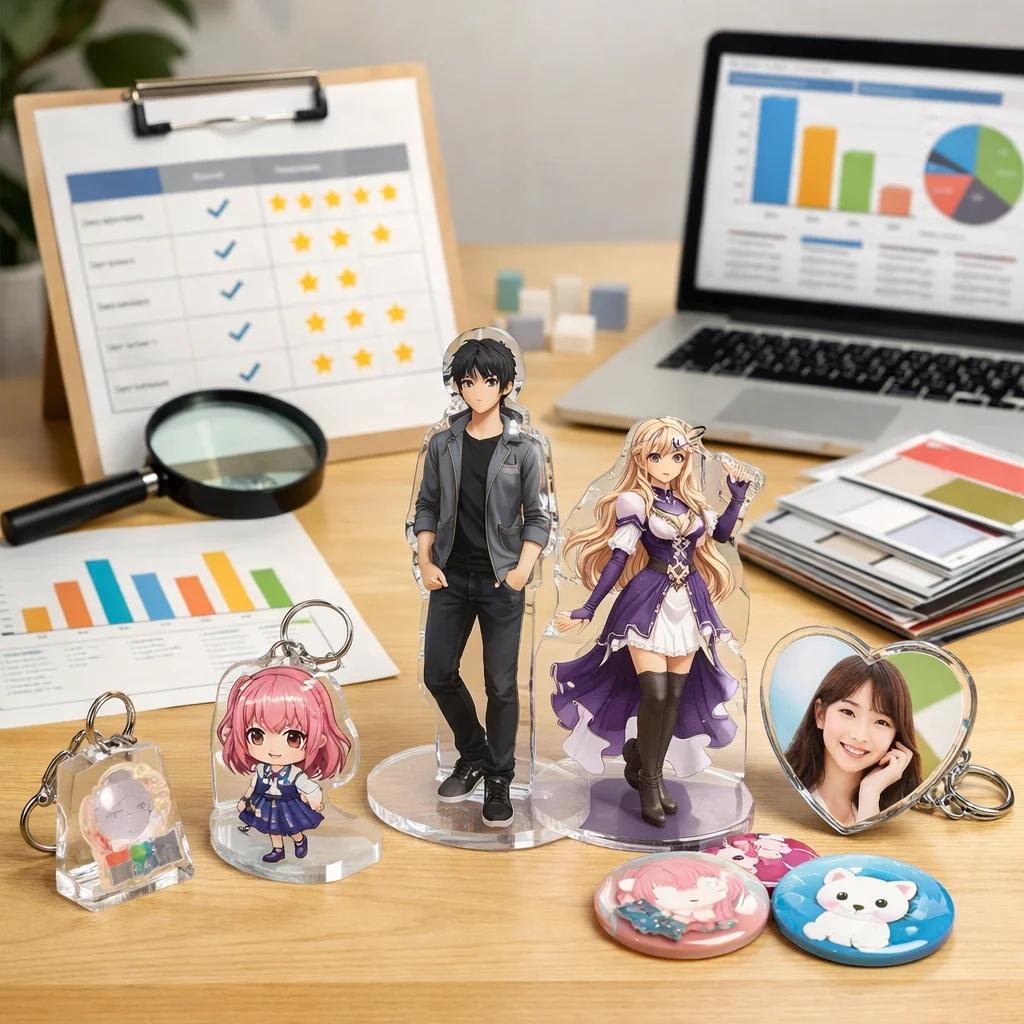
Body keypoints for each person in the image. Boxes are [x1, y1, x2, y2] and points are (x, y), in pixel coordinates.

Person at [552, 416, 752, 827]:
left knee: (674, 696)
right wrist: (588, 607)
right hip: (646, 604)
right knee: (655, 694)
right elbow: (618, 559)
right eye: (656, 456)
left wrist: (736, 499)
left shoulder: (693, 504)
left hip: (689, 604)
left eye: (676, 457)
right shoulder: (634, 502)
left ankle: (646, 765)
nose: (667, 465)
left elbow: (721, 537)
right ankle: (648, 780)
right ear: (641, 458)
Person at [412, 334, 551, 828]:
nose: (476, 391)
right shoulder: (442, 444)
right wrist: (425, 560)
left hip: (500, 582)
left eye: (487, 381)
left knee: (501, 685)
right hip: (450, 578)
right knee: (437, 673)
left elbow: (539, 516)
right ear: (457, 385)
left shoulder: (524, 448)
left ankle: (499, 777)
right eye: (467, 382)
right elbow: (426, 505)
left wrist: (521, 570)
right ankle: (473, 754)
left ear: (506, 386)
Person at [216, 665, 350, 863]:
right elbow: (253, 786)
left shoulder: (295, 774)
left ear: (319, 740)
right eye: (257, 735)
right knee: (272, 828)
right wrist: (244, 799)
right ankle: (277, 849)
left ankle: (299, 840)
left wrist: (314, 800)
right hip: (265, 803)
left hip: (289, 805)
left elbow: (310, 787)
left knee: (292, 827)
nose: (273, 749)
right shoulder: (261, 769)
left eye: (293, 738)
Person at [784, 655, 922, 827]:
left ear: (895, 736)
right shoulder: (786, 793)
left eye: (881, 722)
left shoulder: (901, 813)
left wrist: (870, 793)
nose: (860, 735)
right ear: (820, 715)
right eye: (848, 712)